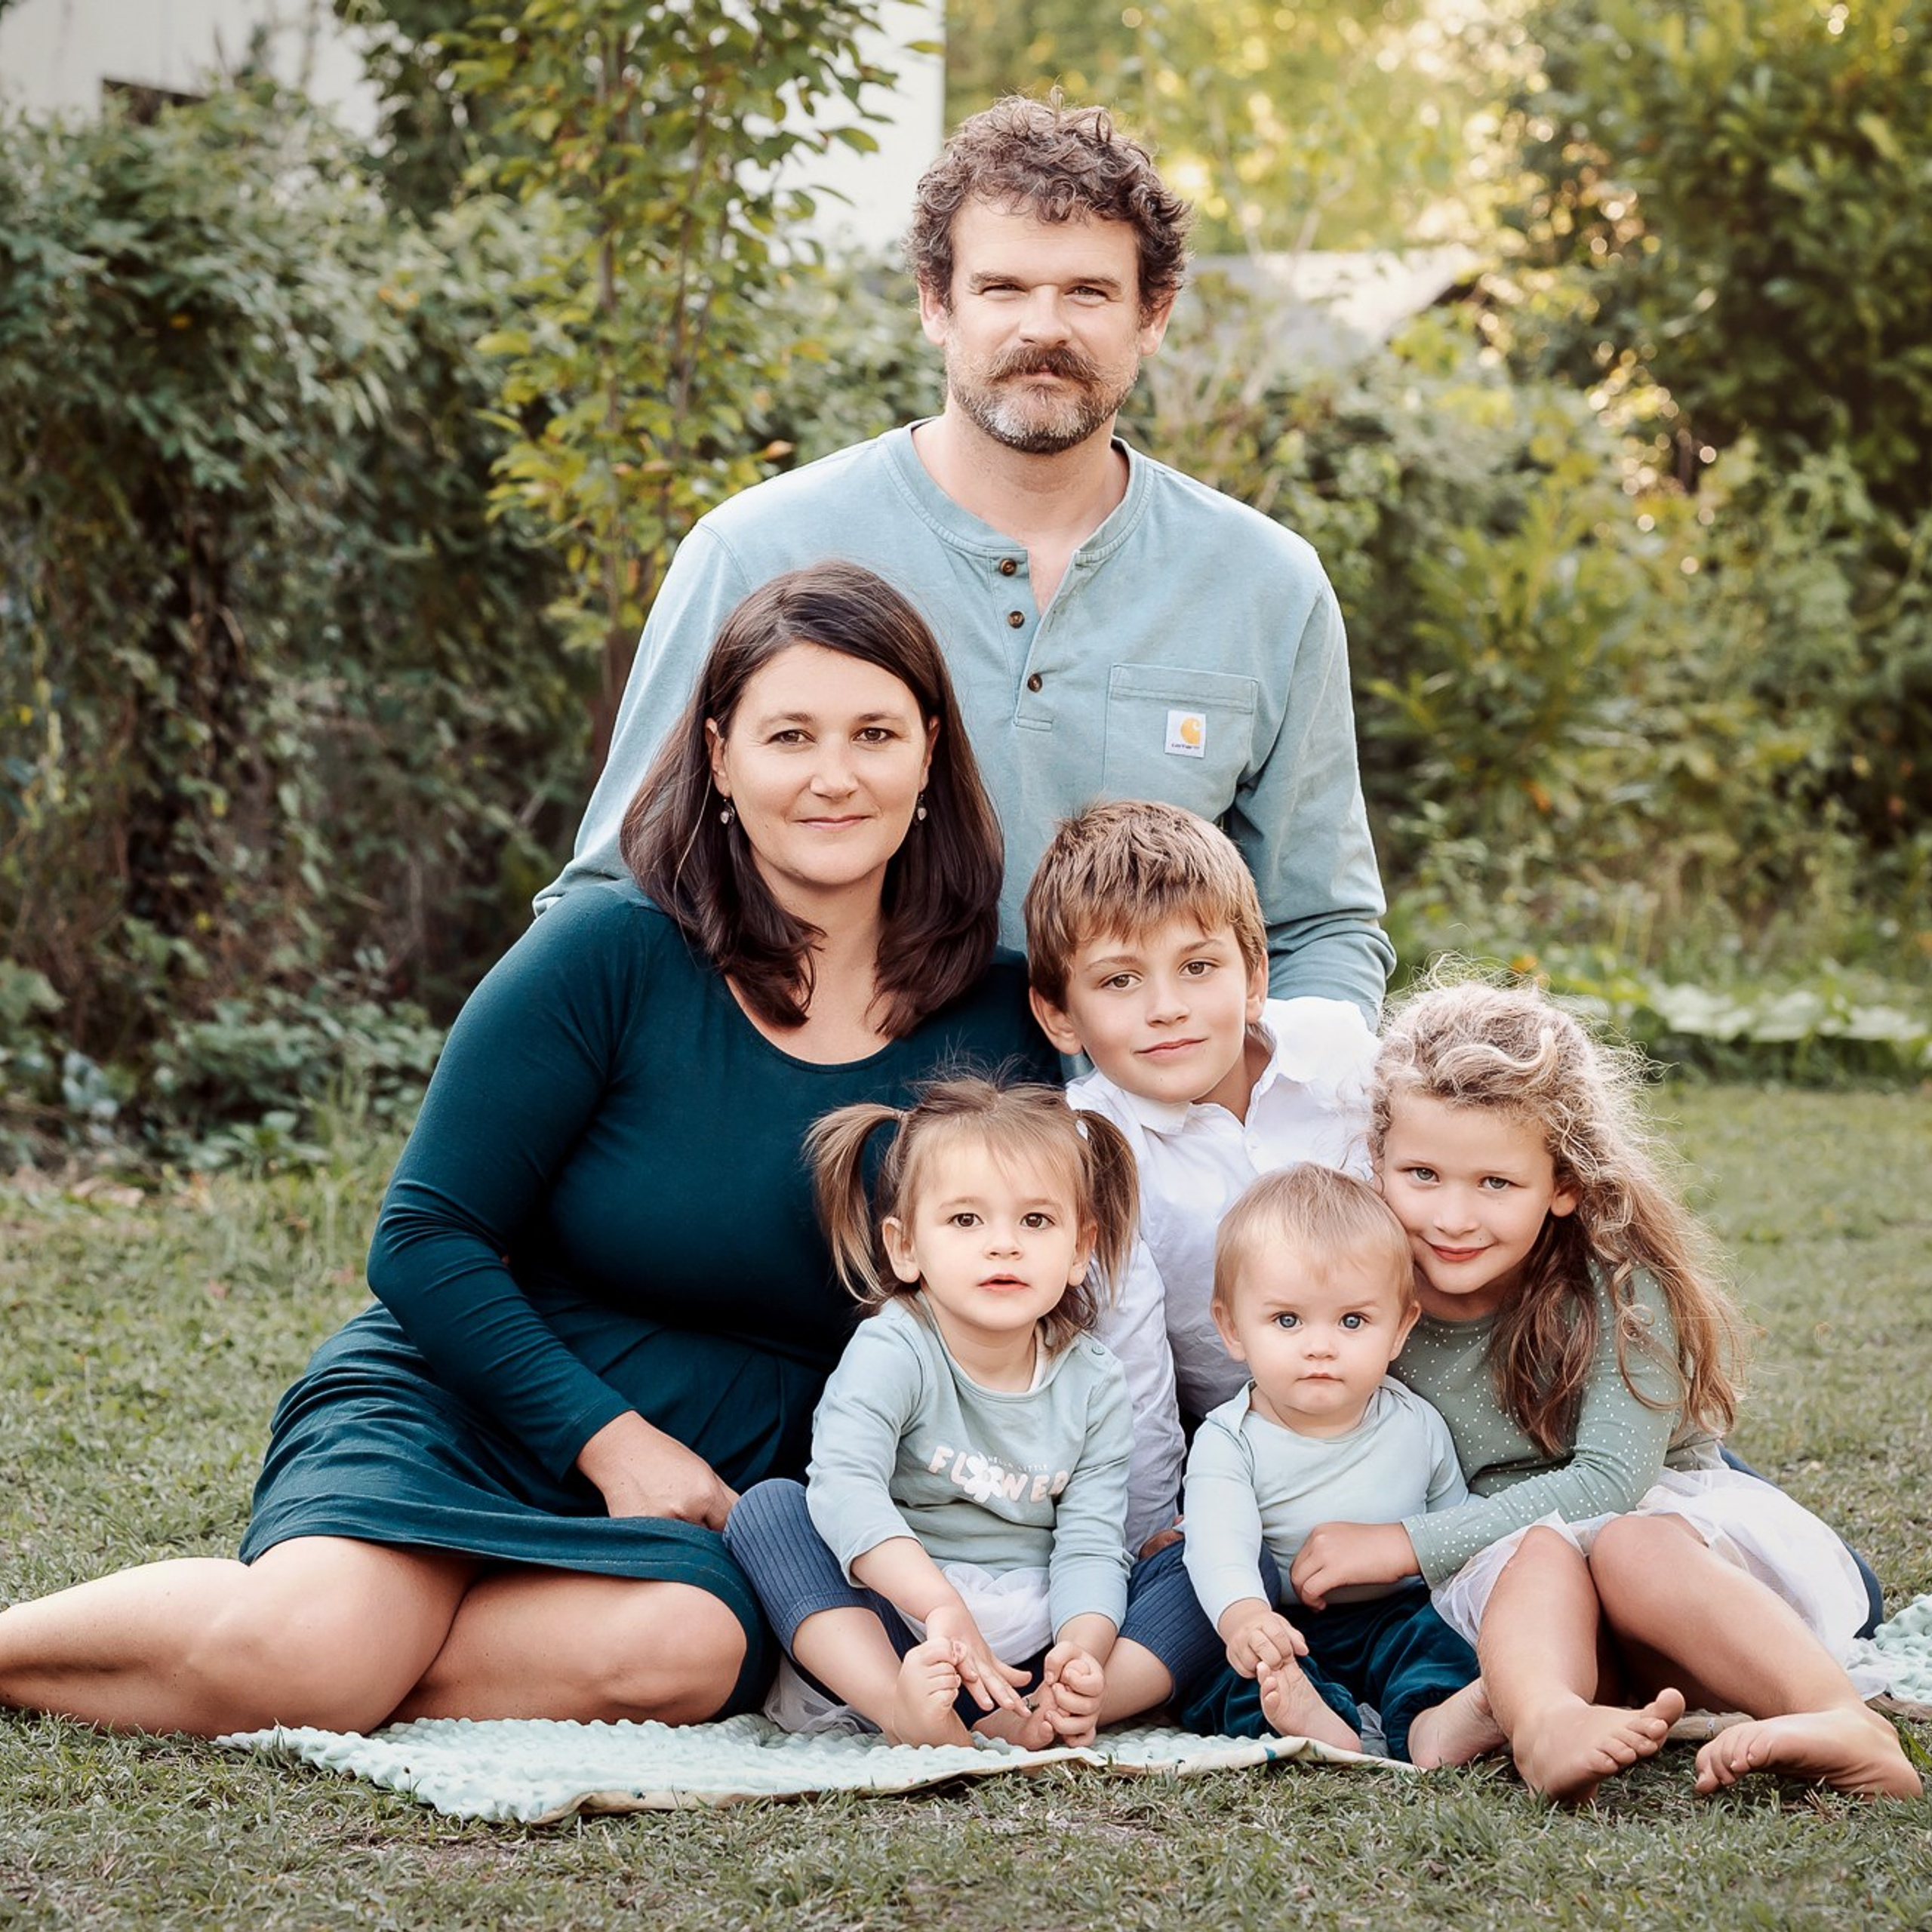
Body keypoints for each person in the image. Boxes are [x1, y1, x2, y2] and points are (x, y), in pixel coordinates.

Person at [0, 561, 1057, 1737]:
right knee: (307, 1655)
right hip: (484, 1394)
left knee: (689, 1655)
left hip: (727, 1482)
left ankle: (373, 1654)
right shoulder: (610, 953)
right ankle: (327, 1645)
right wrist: (611, 1446)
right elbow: (422, 1238)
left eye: (874, 733)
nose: (832, 775)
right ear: (719, 759)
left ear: (929, 757)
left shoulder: (1001, 1020)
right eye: (789, 735)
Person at [540, 95, 1393, 1020]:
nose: (1044, 328)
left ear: (1154, 315)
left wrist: (1285, 1116)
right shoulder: (758, 549)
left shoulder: (1264, 584)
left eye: (1088, 293)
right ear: (935, 304)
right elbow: (618, 894)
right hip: (817, 1127)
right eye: (1002, 289)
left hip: (1138, 1142)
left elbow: (1321, 928)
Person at [1289, 975, 1921, 1802]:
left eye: (1494, 1184)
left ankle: (1839, 1717)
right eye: (1421, 1173)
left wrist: (1404, 1545)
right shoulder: (1366, 1289)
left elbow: (1609, 1485)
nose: (1451, 1216)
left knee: (1621, 1542)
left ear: (1563, 1183)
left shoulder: (1617, 1285)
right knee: (1538, 1558)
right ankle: (1548, 1721)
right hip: (1525, 1584)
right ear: (1377, 1161)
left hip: (1679, 1554)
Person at [723, 1078, 1136, 1749]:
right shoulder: (898, 1346)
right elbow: (846, 1483)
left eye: (1036, 1220)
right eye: (966, 1220)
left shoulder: (1094, 1382)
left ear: (1079, 1249)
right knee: (769, 1511)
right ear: (905, 1246)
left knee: (1196, 1567)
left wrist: (1081, 1647)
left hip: (1034, 1636)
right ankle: (903, 1708)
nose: (1003, 1244)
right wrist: (939, 1604)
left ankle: (1057, 1704)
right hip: (906, 1622)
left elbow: (1091, 1541)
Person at [1023, 798, 1378, 1549]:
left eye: (1197, 967)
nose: (1166, 1009)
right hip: (1249, 1450)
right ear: (1059, 1015)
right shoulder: (1089, 1149)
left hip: (1416, 1399)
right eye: (1119, 981)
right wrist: (1156, 1531)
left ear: (1253, 978)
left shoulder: (1339, 1053)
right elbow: (1129, 1371)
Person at [1170, 1165, 1503, 1767]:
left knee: (1436, 1645)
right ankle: (1315, 1719)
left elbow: (1454, 1529)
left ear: (1401, 1329)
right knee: (1235, 1675)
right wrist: (1245, 1615)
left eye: (1352, 1322)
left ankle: (1437, 1720)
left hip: (1394, 1610)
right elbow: (1219, 1547)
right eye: (1287, 1320)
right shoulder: (1230, 1440)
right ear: (1231, 1328)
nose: (1320, 1346)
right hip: (1279, 1619)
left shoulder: (1416, 1424)